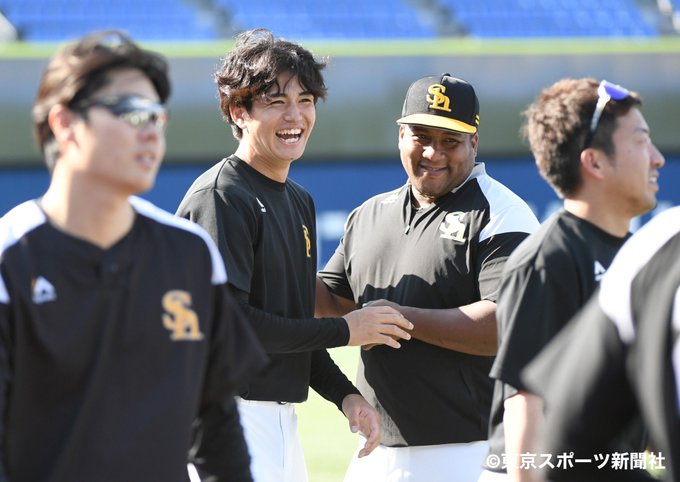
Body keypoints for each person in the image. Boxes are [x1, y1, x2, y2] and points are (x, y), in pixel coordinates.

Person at [0, 30, 267, 482]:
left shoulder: (189, 253)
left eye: (158, 116)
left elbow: (216, 424)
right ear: (64, 123)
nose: (150, 132)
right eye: (131, 112)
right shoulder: (11, 257)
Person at [175, 28, 413, 482]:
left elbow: (291, 326)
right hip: (223, 418)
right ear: (238, 111)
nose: (295, 115)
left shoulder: (298, 199)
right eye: (276, 101)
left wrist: (345, 395)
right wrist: (347, 330)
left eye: (305, 100)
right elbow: (233, 326)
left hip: (280, 423)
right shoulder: (221, 196)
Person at [315, 73, 539, 482]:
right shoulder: (369, 213)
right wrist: (272, 253)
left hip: (469, 452)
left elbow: (506, 324)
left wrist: (399, 319)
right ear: (401, 135)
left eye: (450, 140)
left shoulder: (502, 212)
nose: (434, 152)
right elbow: (331, 301)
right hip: (375, 450)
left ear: (474, 142)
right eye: (421, 136)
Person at [480, 78, 665, 481]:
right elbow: (524, 402)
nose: (657, 159)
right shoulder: (548, 259)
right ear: (594, 162)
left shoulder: (641, 257)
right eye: (641, 141)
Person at [521, 205, 680, 482]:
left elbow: (565, 449)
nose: (654, 183)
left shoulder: (658, 239)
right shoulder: (657, 242)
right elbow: (564, 446)